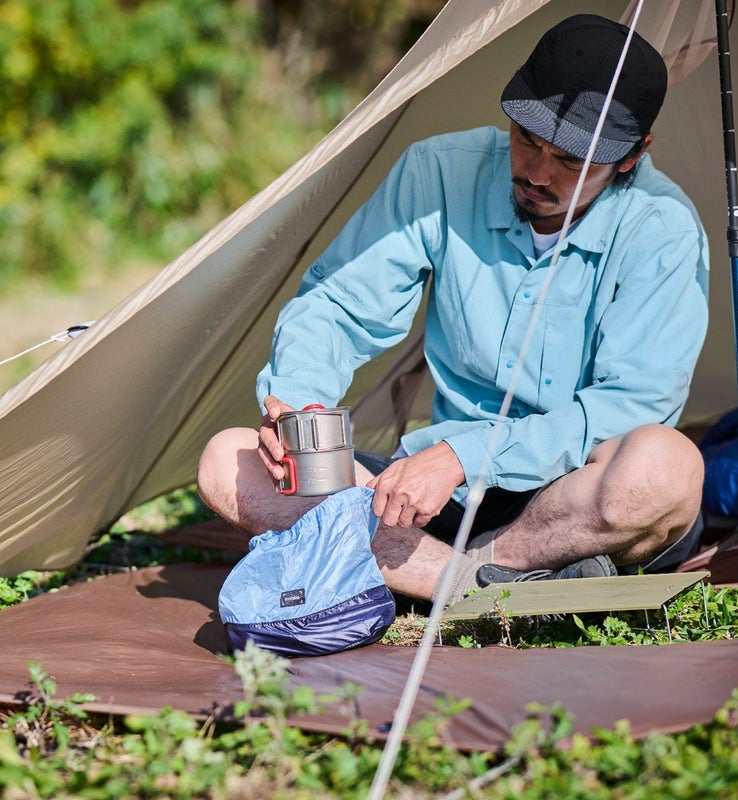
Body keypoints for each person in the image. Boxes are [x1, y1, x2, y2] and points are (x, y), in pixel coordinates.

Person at [197, 14, 709, 606]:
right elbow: (338, 306)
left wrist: (465, 456)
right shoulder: (439, 172)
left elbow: (633, 403)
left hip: (567, 502)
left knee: (665, 470)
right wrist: (299, 404)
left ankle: (442, 569)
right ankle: (479, 589)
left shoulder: (664, 231)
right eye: (527, 139)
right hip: (429, 500)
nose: (537, 173)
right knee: (226, 462)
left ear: (631, 157)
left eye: (572, 162)